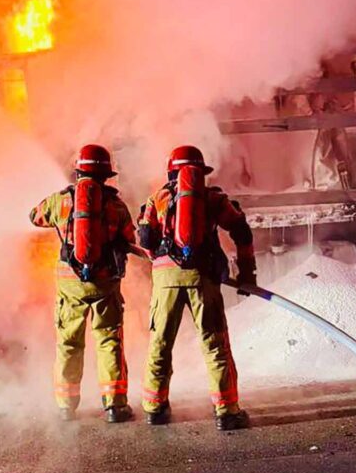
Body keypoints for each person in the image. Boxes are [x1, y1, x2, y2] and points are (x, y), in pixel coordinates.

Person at [136, 145, 257, 431]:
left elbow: (145, 239)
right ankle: (227, 412)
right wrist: (247, 273)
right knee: (214, 345)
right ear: (201, 172)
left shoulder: (158, 198)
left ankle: (155, 408)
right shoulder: (213, 198)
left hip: (166, 281)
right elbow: (240, 229)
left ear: (171, 171)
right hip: (202, 278)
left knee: (160, 343)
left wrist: (163, 260)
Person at [29, 144, 136, 423]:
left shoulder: (60, 201)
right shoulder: (115, 205)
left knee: (69, 343)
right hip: (104, 286)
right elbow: (130, 237)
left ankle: (66, 405)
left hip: (70, 286)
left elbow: (35, 216)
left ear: (78, 171)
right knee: (109, 341)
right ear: (105, 174)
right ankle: (114, 405)